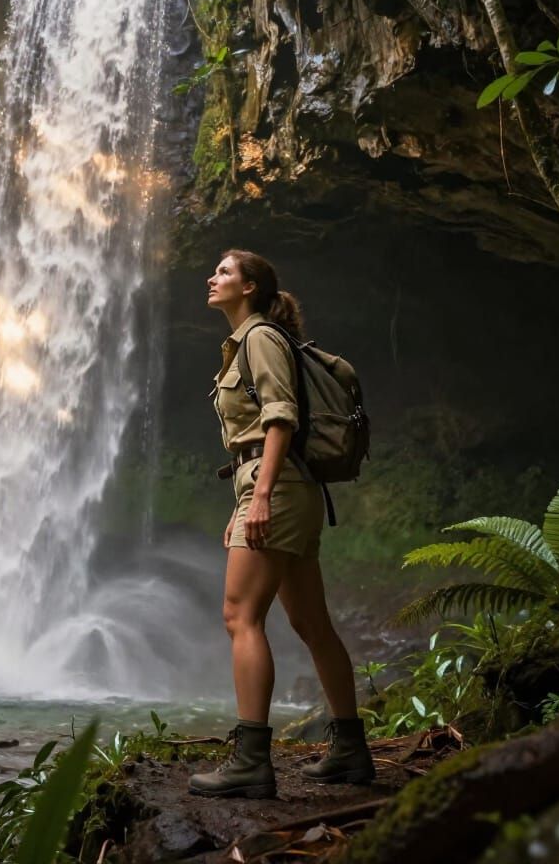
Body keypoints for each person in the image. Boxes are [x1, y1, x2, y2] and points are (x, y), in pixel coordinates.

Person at [188, 249, 374, 799]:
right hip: (280, 487)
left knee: (239, 615)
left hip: (278, 486)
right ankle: (350, 750)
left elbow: (280, 418)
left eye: (224, 271)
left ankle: (250, 761)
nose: (212, 277)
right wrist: (243, 503)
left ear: (249, 287)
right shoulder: (250, 340)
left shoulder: (260, 338)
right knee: (312, 624)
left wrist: (262, 495)